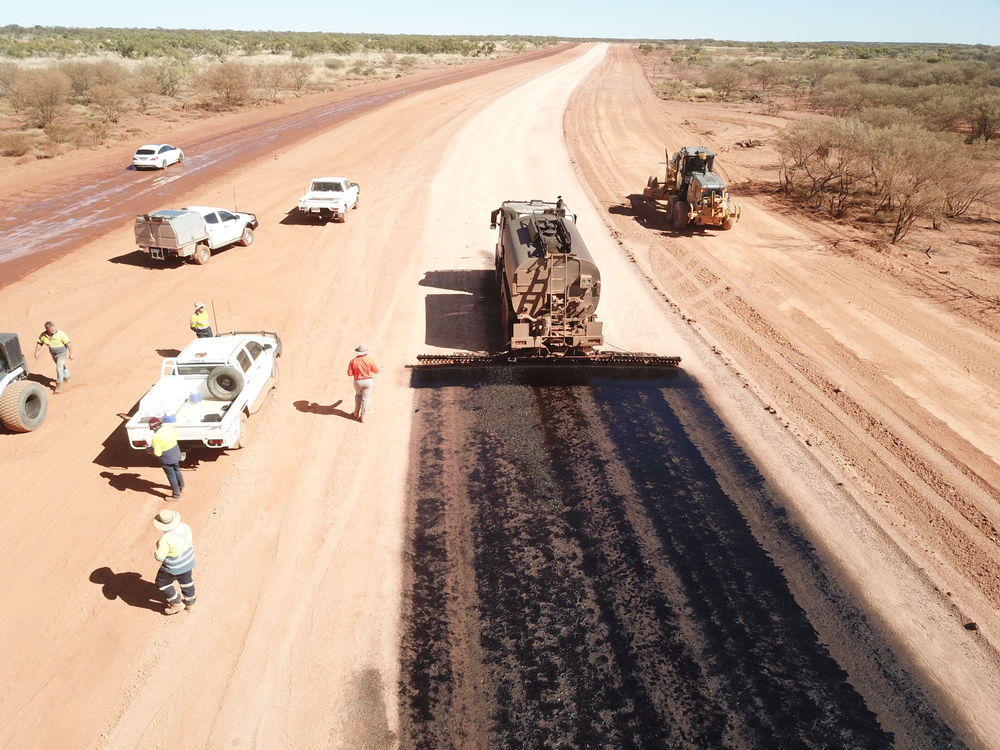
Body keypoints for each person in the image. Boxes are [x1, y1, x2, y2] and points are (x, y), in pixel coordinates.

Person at [152, 509, 196, 615]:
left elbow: (159, 557)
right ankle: (190, 604)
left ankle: (176, 603)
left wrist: (158, 545)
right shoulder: (185, 526)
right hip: (188, 561)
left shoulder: (165, 539)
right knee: (187, 582)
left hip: (173, 568)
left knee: (162, 583)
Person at [148, 416, 185, 499]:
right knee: (177, 470)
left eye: (152, 428)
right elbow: (176, 437)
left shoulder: (156, 437)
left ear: (154, 427)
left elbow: (157, 453)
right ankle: (181, 486)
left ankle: (176, 495)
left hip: (166, 458)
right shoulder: (169, 428)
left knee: (171, 476)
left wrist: (151, 452)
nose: (152, 430)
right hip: (176, 453)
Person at [34, 321, 74, 393]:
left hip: (62, 353)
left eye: (54, 328)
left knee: (59, 368)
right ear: (47, 329)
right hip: (53, 354)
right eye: (51, 329)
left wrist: (71, 353)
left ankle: (59, 385)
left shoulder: (61, 334)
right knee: (61, 366)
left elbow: (68, 343)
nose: (53, 330)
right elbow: (39, 343)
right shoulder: (43, 335)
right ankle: (67, 377)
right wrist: (37, 351)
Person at [347, 344, 380, 423]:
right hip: (368, 382)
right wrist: (380, 368)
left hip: (358, 382)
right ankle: (363, 416)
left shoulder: (353, 361)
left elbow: (349, 373)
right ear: (366, 353)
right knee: (366, 398)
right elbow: (376, 371)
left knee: (358, 396)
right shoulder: (369, 360)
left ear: (358, 352)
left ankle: (355, 413)